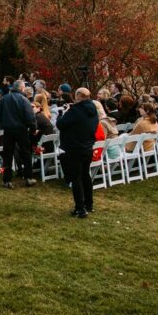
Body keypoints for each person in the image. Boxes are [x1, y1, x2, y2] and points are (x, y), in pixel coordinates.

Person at [0, 80, 38, 189]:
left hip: (8, 131)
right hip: (21, 130)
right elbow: (30, 116)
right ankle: (29, 177)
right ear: (21, 88)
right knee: (26, 153)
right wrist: (33, 128)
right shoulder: (24, 100)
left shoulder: (4, 99)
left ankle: (7, 180)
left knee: (7, 155)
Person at [57, 88, 99, 218]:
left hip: (75, 147)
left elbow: (60, 124)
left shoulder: (75, 111)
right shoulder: (93, 109)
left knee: (76, 178)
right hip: (87, 146)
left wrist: (64, 113)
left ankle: (80, 208)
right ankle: (89, 204)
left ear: (79, 96)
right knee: (85, 175)